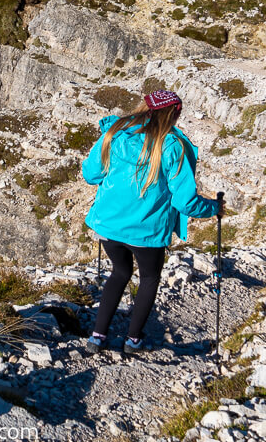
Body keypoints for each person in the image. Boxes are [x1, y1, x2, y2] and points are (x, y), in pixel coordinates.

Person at [81, 89, 221, 355]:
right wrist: (214, 208)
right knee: (149, 278)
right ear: (174, 114)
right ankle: (133, 341)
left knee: (119, 273)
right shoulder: (171, 146)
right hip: (147, 231)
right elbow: (185, 202)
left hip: (109, 225)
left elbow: (91, 174)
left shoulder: (115, 133)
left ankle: (97, 338)